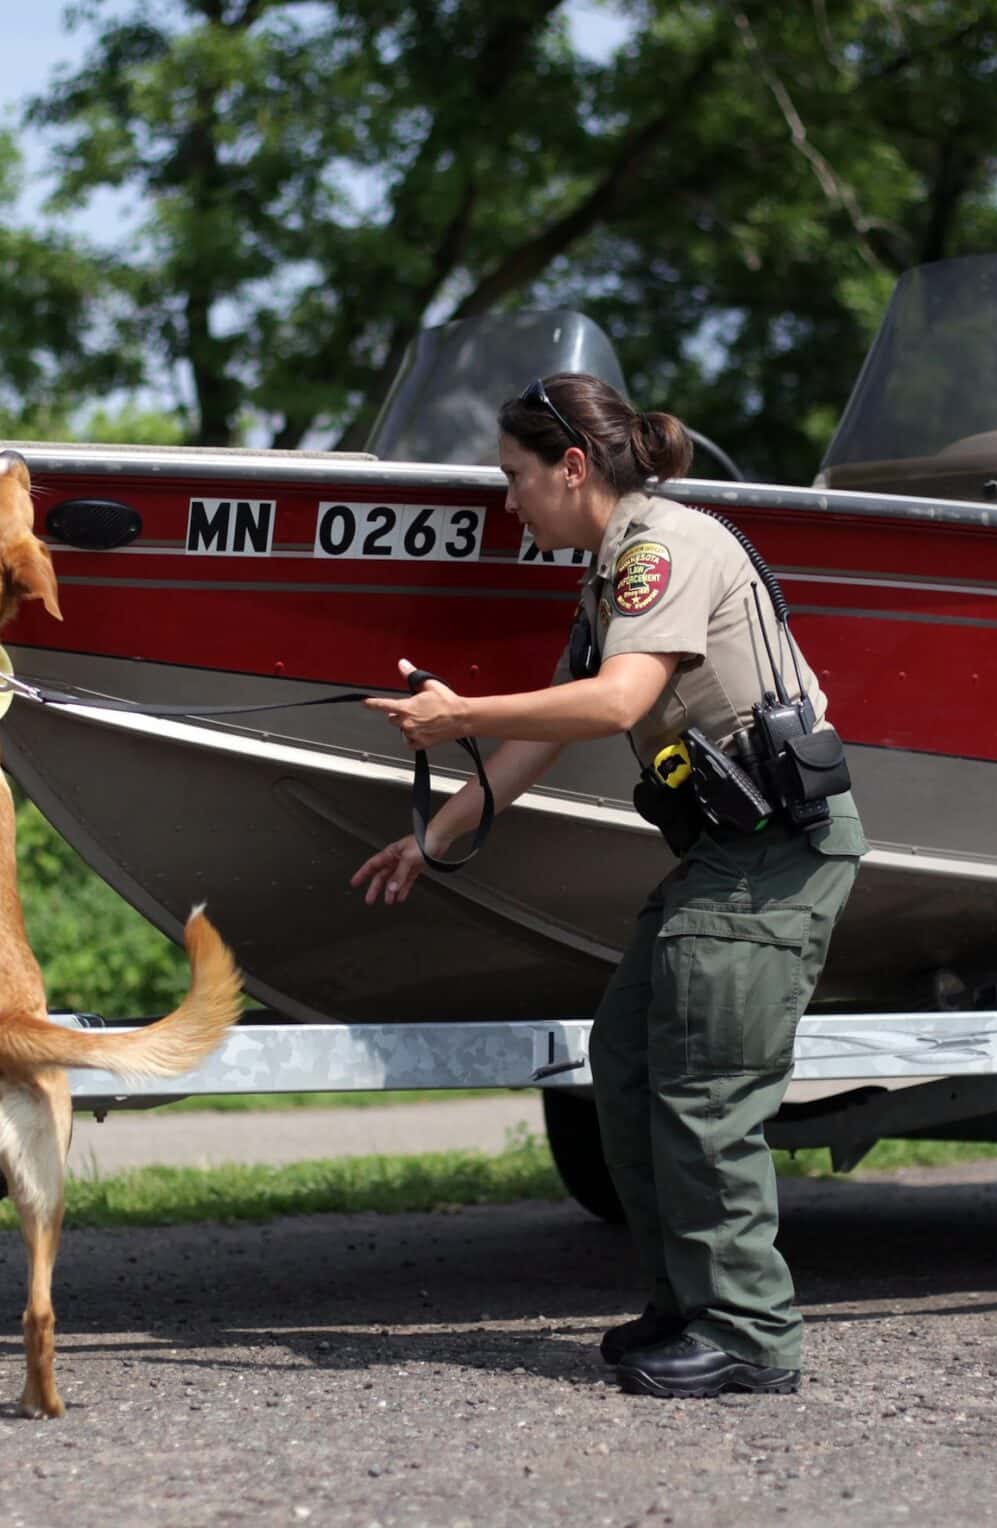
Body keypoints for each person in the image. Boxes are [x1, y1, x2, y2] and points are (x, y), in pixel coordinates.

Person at [350, 372, 865, 1399]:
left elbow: (615, 700)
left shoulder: (658, 547)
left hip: (773, 857)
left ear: (572, 467)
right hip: (724, 857)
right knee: (625, 1063)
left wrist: (454, 716)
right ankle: (687, 1303)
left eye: (514, 478)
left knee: (705, 1092)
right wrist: (432, 839)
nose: (507, 502)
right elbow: (539, 738)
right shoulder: (608, 575)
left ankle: (751, 1333)